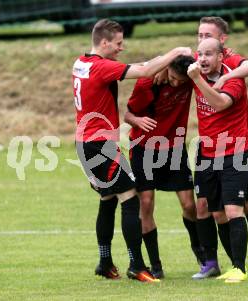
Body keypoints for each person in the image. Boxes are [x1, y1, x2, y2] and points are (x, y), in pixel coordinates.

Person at [72, 18, 191, 283]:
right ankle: (137, 265)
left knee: (108, 199)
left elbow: (144, 68)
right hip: (99, 145)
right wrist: (176, 52)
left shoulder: (80, 63)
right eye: (117, 43)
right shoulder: (101, 67)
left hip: (85, 143)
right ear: (104, 42)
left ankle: (104, 262)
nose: (120, 48)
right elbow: (146, 71)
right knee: (130, 197)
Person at [189, 17, 248, 279]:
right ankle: (219, 264)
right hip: (207, 150)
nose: (201, 49)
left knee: (240, 207)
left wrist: (219, 80)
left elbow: (220, 103)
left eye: (207, 40)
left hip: (233, 150)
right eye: (199, 39)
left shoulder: (233, 70)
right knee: (212, 209)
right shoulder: (197, 63)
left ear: (222, 47)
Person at [123, 55, 202, 279]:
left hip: (174, 149)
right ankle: (155, 265)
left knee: (189, 205)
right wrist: (137, 121)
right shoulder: (148, 83)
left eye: (181, 81)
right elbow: (127, 114)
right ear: (167, 69)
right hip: (144, 149)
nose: (177, 84)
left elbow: (196, 53)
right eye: (174, 78)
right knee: (146, 204)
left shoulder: (190, 76)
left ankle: (200, 251)